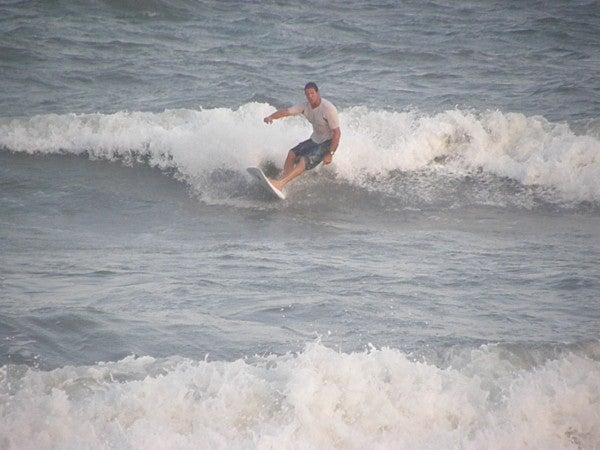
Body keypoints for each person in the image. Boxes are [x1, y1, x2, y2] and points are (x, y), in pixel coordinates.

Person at [263, 82, 341, 192]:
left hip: (328, 142)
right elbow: (286, 112)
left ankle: (281, 183)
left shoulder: (328, 109)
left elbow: (337, 134)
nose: (310, 96)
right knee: (291, 154)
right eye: (307, 94)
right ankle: (283, 183)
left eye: (312, 93)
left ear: (318, 93)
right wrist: (271, 116)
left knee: (304, 160)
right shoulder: (305, 106)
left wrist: (330, 153)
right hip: (315, 139)